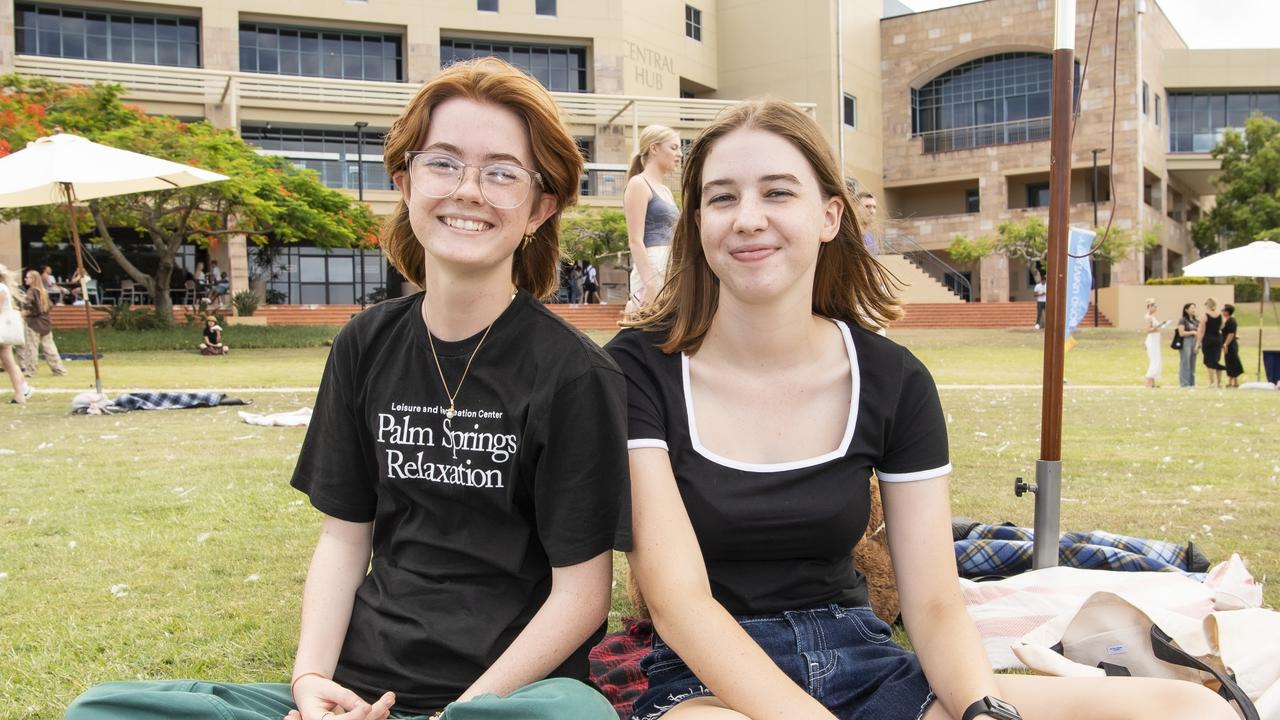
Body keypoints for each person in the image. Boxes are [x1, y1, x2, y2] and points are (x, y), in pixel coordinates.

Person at [606, 99, 1234, 720]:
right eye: (721, 198)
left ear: (829, 216)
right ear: (696, 223)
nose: (747, 218)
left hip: (860, 659)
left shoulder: (892, 378)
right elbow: (677, 602)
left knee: (1189, 709)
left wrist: (983, 710)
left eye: (777, 192)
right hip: (709, 679)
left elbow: (934, 602)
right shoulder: (639, 368)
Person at [64, 57, 627, 720]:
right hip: (364, 685)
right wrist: (310, 681)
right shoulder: (364, 345)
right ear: (405, 181)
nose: (468, 190)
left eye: (502, 172)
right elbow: (344, 538)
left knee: (573, 716)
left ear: (541, 207)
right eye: (442, 162)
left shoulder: (576, 374)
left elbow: (582, 597)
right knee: (103, 710)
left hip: (507, 698)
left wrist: (462, 711)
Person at [624, 124, 681, 312]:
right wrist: (649, 284)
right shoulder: (639, 184)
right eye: (674, 148)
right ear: (654, 148)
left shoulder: (665, 191)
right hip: (651, 269)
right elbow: (635, 240)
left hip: (670, 268)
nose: (679, 154)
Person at [19, 268, 67, 377]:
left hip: (34, 323)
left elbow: (28, 303)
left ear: (33, 279)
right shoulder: (43, 291)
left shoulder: (31, 291)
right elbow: (49, 306)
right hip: (45, 322)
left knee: (31, 348)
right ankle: (59, 369)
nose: (25, 279)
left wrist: (25, 310)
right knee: (50, 348)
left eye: (27, 277)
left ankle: (31, 371)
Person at [0, 264, 33, 405]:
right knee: (9, 363)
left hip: (2, 331)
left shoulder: (1, 289)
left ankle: (22, 392)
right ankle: (22, 391)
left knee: (9, 363)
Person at [1197, 297, 1224, 388]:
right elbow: (1221, 326)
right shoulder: (1220, 315)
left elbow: (1202, 331)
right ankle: (1219, 382)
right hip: (1217, 339)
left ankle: (1212, 382)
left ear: (1207, 305)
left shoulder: (1204, 316)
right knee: (1216, 360)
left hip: (1208, 339)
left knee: (1209, 361)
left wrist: (1198, 342)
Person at [1175, 302, 1198, 388]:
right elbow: (1181, 333)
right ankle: (1184, 383)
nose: (1194, 309)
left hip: (1195, 341)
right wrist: (1192, 332)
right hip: (1186, 341)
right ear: (1186, 310)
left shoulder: (1196, 321)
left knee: (1193, 362)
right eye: (1192, 308)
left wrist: (1199, 344)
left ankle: (1192, 383)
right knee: (1185, 362)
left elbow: (1199, 332)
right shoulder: (1183, 320)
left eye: (1194, 308)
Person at [1142, 298, 1163, 388]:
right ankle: (1148, 381)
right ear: (1149, 307)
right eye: (1154, 306)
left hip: (1155, 341)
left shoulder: (1153, 317)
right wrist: (1158, 326)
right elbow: (1148, 330)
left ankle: (1152, 383)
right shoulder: (1148, 317)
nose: (1156, 307)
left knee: (1157, 361)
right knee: (1155, 361)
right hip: (1152, 342)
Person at [1222, 303, 1243, 388]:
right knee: (1229, 362)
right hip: (1230, 344)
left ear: (1227, 312)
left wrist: (1225, 344)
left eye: (1223, 310)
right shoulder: (1228, 320)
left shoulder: (1231, 321)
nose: (1222, 312)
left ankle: (1234, 382)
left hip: (1230, 345)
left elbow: (1231, 334)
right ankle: (1232, 381)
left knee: (1232, 361)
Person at [855, 190, 879, 255]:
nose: (872, 211)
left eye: (874, 207)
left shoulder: (871, 238)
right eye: (867, 206)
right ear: (855, 208)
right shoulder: (848, 234)